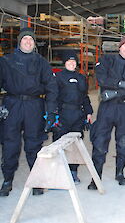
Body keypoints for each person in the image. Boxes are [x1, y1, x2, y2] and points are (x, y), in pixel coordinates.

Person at [0, 27, 58, 196]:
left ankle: (36, 181)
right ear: (20, 41)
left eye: (31, 40)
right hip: (12, 104)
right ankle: (7, 180)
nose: (28, 42)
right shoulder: (6, 61)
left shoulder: (41, 62)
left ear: (34, 44)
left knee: (34, 144)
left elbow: (52, 87)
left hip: (34, 106)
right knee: (10, 143)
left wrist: (51, 112)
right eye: (25, 39)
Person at [88, 35, 125, 189]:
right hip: (107, 108)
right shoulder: (107, 60)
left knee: (123, 143)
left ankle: (120, 173)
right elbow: (102, 80)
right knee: (99, 142)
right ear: (120, 47)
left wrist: (114, 92)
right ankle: (95, 177)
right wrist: (122, 84)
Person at [53, 51, 93, 184]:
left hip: (77, 115)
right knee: (60, 144)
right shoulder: (58, 77)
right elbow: (52, 97)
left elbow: (85, 97)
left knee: (75, 145)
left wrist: (88, 112)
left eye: (74, 61)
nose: (71, 63)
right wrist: (53, 115)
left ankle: (73, 172)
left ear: (77, 64)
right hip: (63, 115)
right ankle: (59, 173)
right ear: (64, 63)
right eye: (69, 61)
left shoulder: (81, 78)